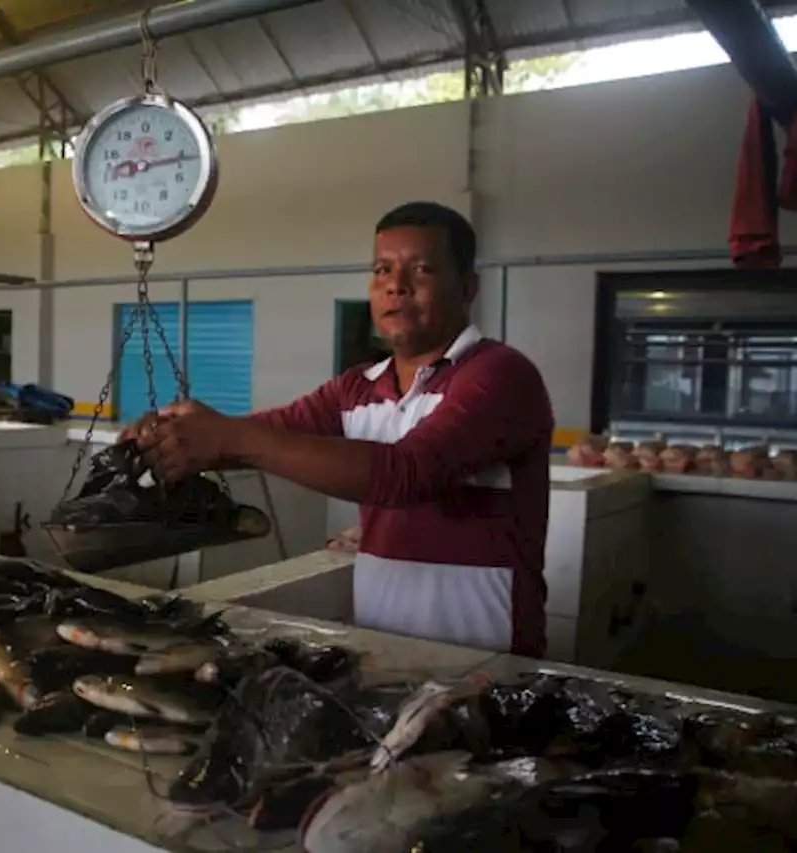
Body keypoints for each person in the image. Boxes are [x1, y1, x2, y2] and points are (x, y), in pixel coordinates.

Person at [131, 201, 555, 658]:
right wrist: (175, 435)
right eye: (382, 269)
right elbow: (259, 433)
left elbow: (404, 474)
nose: (396, 285)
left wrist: (227, 437)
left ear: (468, 286)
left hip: (489, 663)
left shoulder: (500, 375)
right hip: (382, 651)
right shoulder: (355, 388)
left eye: (422, 269)